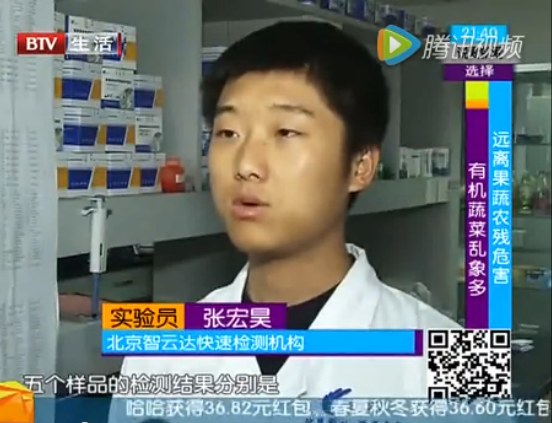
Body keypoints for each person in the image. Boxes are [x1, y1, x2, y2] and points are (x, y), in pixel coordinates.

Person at [109, 21, 462, 417]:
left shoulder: (453, 359)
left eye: (286, 132)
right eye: (227, 133)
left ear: (360, 166)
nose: (245, 165)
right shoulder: (161, 354)